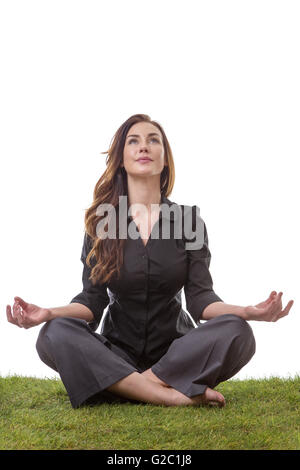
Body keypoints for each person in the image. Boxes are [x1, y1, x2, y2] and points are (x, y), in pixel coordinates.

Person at [6, 114, 294, 409]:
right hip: (116, 351)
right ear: (121, 158)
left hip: (176, 355)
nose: (144, 146)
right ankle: (168, 395)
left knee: (238, 331)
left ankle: (124, 386)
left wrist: (248, 311)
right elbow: (92, 302)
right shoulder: (102, 223)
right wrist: (47, 313)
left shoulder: (189, 221)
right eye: (134, 141)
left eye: (153, 140)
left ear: (165, 158)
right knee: (54, 332)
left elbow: (200, 300)